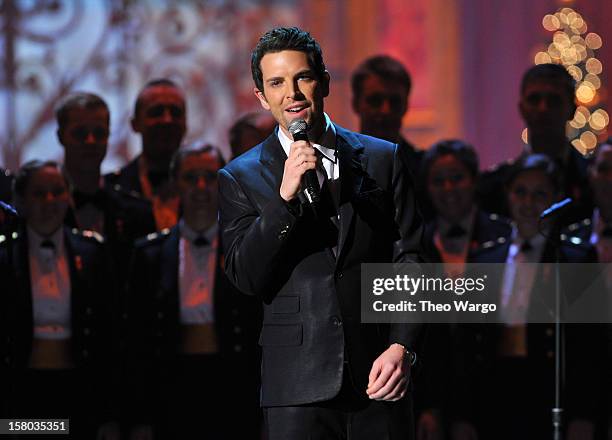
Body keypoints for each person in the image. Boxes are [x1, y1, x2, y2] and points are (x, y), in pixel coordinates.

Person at [218, 27, 424, 439]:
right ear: (261, 97)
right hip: (297, 385)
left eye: (302, 78)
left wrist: (403, 346)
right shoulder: (239, 177)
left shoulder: (383, 158)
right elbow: (246, 276)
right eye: (276, 83)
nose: (291, 93)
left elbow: (412, 260)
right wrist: (283, 201)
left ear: (324, 82)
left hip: (378, 377)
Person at [452, 154, 600, 440]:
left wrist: (584, 415)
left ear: (556, 198)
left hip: (548, 393)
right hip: (493, 394)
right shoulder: (485, 258)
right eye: (520, 192)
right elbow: (466, 342)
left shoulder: (575, 259)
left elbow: (589, 346)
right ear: (507, 194)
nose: (528, 202)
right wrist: (462, 414)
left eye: (539, 194)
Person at [126, 146, 261, 439]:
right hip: (171, 389)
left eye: (209, 177)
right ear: (175, 184)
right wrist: (138, 415)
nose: (201, 187)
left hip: (233, 389)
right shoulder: (149, 254)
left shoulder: (248, 247)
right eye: (191, 178)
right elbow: (137, 340)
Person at [0, 160, 118, 439]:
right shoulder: (4, 257)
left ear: (69, 197)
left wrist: (110, 414)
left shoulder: (92, 253)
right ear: (21, 201)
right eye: (39, 193)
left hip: (80, 391)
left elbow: (109, 335)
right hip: (21, 395)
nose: (49, 201)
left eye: (57, 192)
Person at [55, 92, 156, 279]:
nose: (90, 141)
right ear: (61, 136)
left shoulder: (137, 212)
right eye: (80, 133)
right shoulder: (40, 208)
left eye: (99, 133)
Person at [479, 64, 592, 223]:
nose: (543, 108)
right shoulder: (493, 187)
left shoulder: (593, 182)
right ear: (522, 109)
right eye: (534, 99)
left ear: (572, 110)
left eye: (554, 100)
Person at [105, 78, 187, 230]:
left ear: (186, 124)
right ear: (134, 124)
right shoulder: (112, 191)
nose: (167, 120)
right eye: (156, 112)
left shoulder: (211, 187)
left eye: (175, 113)